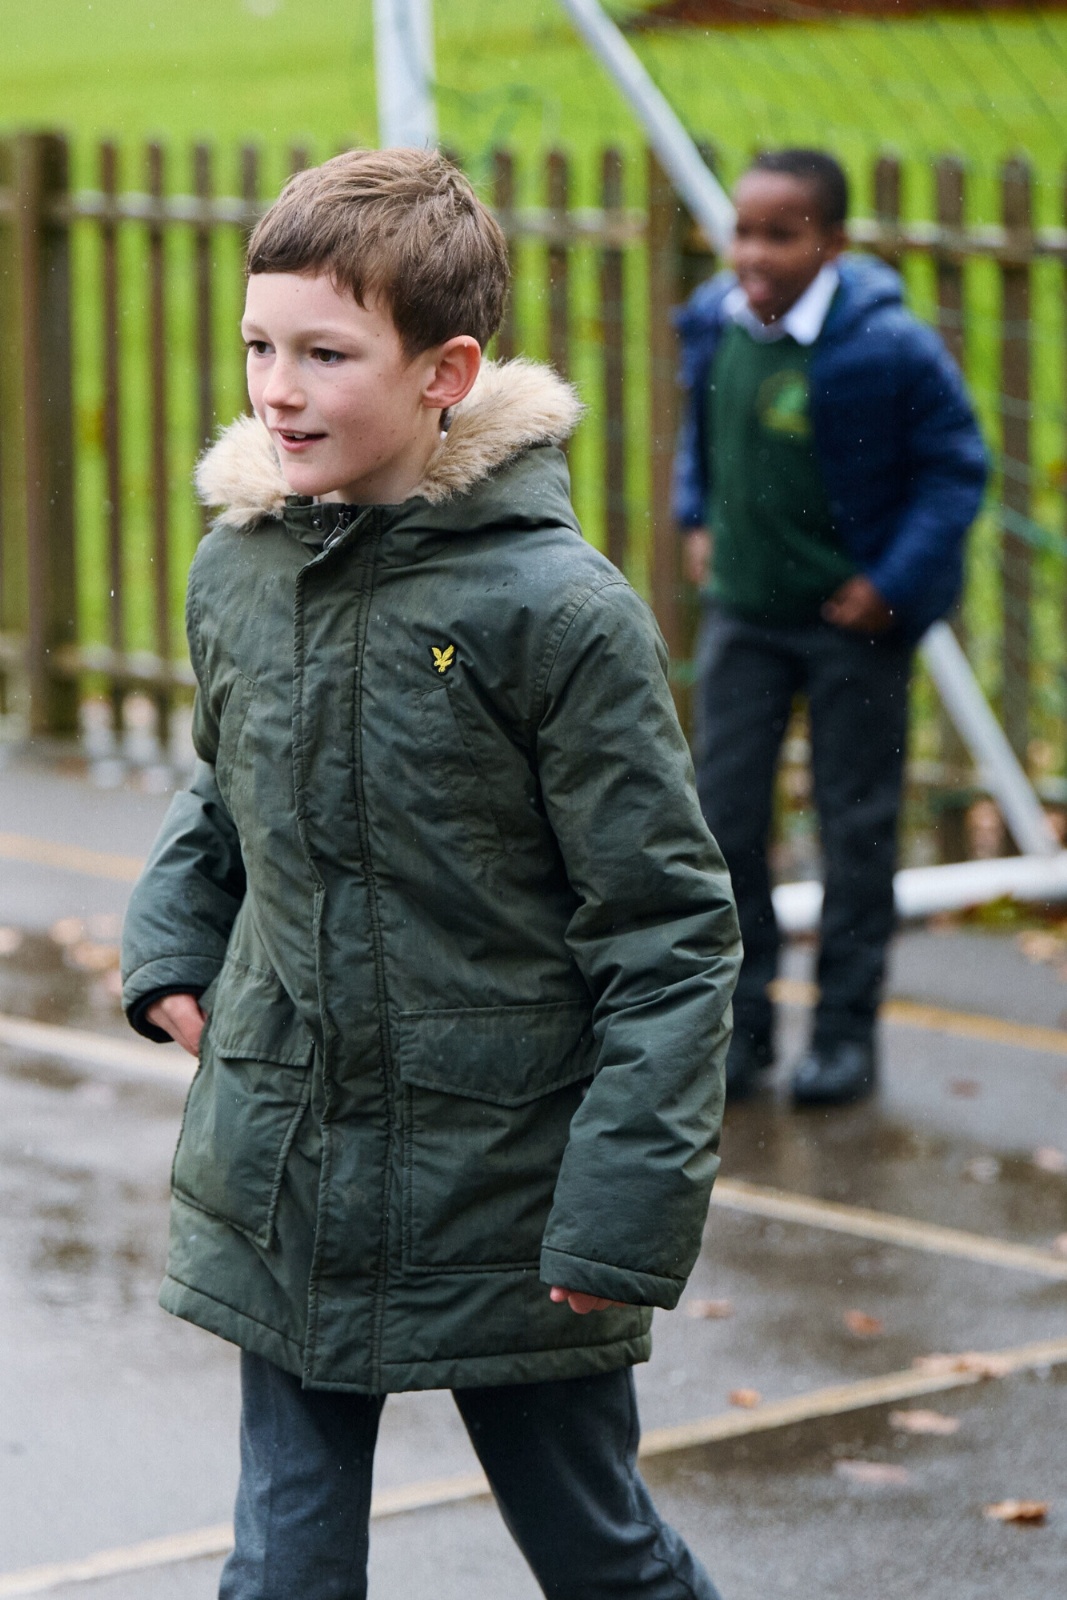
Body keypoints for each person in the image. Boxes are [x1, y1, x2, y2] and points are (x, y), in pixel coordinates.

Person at [121, 148, 740, 1600]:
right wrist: (172, 944)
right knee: (283, 1572)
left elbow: (666, 933)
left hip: (507, 1195)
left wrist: (617, 1211)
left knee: (598, 1557)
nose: (277, 391)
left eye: (325, 355)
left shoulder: (558, 613)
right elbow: (223, 787)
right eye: (259, 347)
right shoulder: (240, 571)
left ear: (445, 372)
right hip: (290, 1164)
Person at [673, 148, 986, 1107]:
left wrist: (890, 584)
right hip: (744, 619)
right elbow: (701, 429)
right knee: (723, 821)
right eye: (743, 231)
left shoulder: (885, 346)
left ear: (834, 243)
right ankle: (743, 1028)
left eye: (781, 234)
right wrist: (695, 514)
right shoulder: (716, 320)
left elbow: (955, 468)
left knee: (856, 829)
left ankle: (844, 1037)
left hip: (852, 628)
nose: (753, 254)